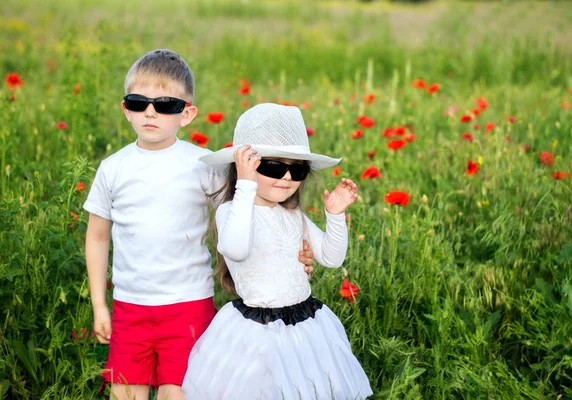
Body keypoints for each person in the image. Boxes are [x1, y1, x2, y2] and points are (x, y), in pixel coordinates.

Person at [83, 50, 315, 400]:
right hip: (130, 306)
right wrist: (100, 304)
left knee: (180, 393)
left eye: (166, 105)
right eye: (139, 101)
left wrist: (289, 256)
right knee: (125, 394)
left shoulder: (201, 164)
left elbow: (241, 224)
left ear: (186, 114)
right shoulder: (113, 168)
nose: (150, 112)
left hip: (189, 302)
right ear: (126, 108)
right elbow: (98, 237)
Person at [182, 103, 373, 399]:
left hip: (305, 326)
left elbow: (332, 258)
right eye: (273, 167)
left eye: (297, 170)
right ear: (245, 167)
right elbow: (235, 248)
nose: (286, 178)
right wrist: (245, 185)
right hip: (256, 331)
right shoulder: (232, 212)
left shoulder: (293, 215)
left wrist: (335, 216)